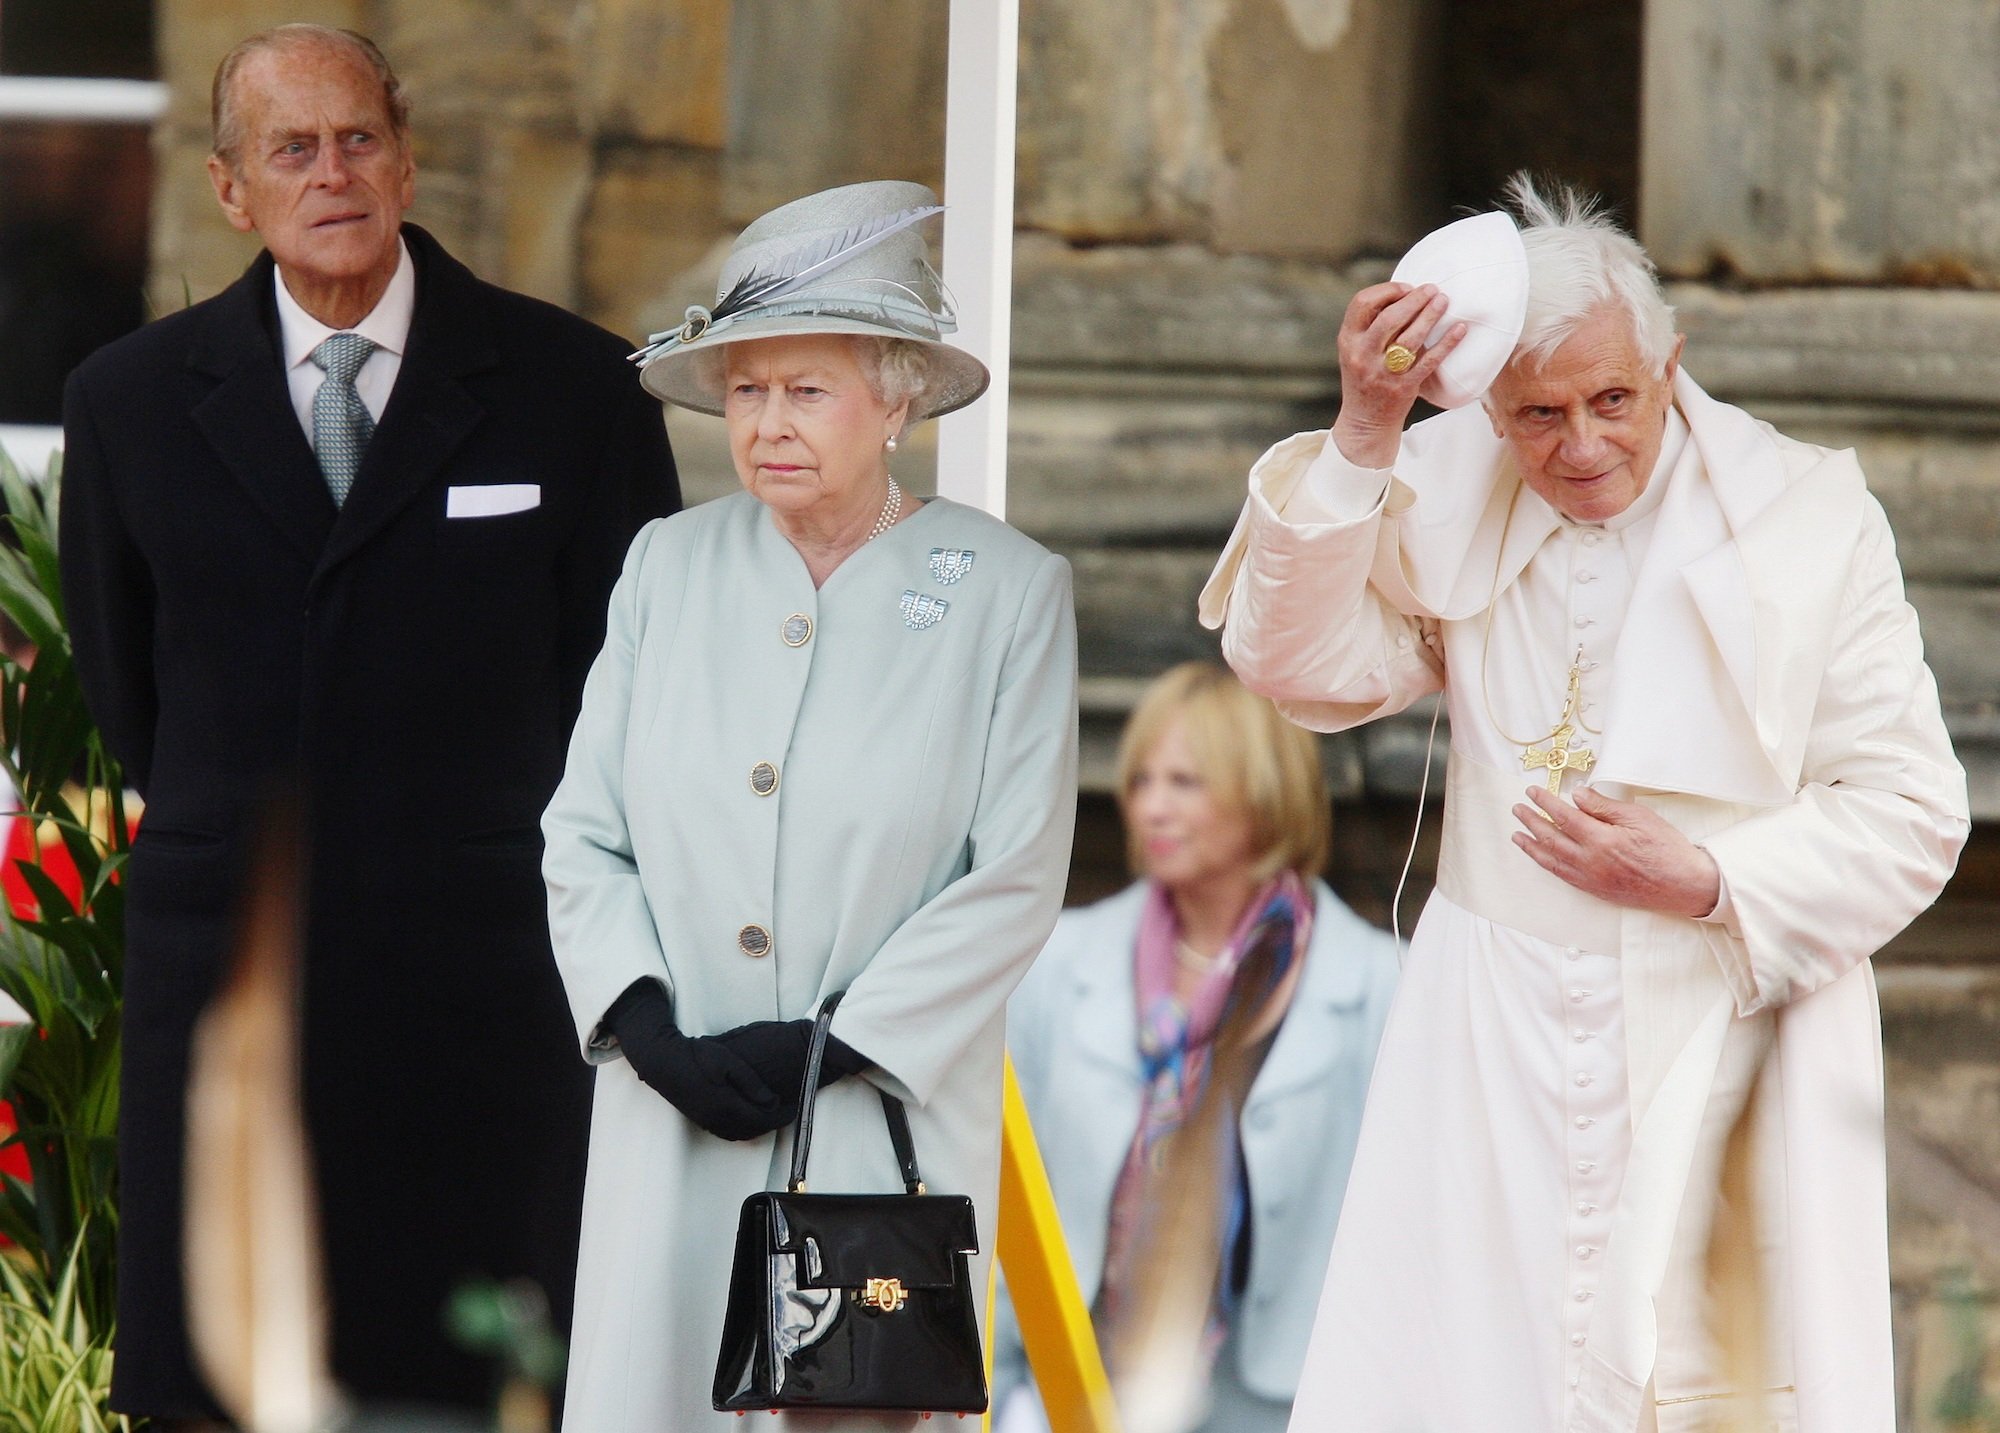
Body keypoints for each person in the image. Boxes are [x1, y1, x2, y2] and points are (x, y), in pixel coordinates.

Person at [1199, 175, 1968, 1432]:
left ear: (1671, 362)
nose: (1581, 444)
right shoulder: (1448, 488)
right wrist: (1361, 433)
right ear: (1491, 410)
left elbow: (1912, 807)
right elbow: (1290, 664)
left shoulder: (1807, 514)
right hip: (1490, 1025)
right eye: (1536, 416)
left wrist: (1712, 878)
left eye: (1613, 399)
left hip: (1727, 1008)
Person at [58, 25, 679, 1422]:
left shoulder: (576, 390)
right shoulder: (129, 405)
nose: (331, 173)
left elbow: (630, 692)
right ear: (230, 190)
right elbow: (128, 696)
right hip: (233, 980)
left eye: (356, 139)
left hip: (491, 991)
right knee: (227, 1367)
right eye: (292, 148)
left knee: (481, 1368)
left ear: (405, 157)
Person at [541, 178, 1078, 1430]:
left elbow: (1014, 873)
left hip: (871, 1119)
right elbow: (583, 831)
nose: (767, 421)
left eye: (806, 388)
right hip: (667, 1109)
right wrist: (645, 1025)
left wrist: (831, 1045)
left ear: (895, 399)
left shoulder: (1007, 591)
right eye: (744, 389)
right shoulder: (665, 566)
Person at [992, 662, 1398, 1433]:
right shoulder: (1053, 962)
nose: (1151, 805)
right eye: (1141, 779)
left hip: (1284, 1400)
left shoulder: (1380, 983)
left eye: (1186, 781)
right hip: (1068, 1381)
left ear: (1264, 787)